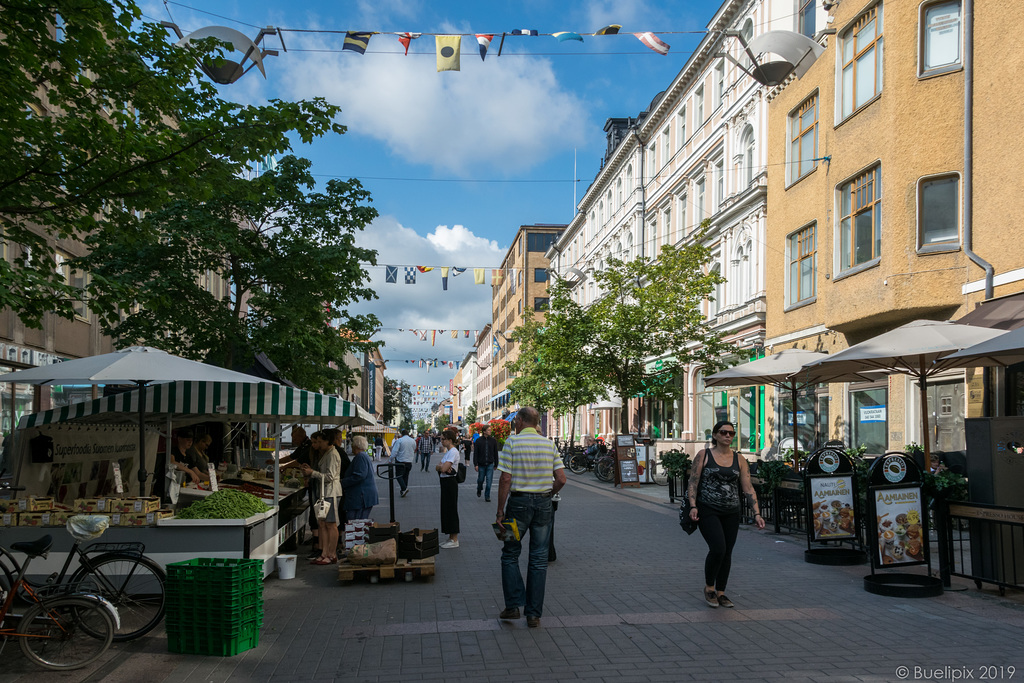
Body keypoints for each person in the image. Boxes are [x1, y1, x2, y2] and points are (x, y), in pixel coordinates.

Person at [495, 407, 566, 628]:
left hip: (518, 506)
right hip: (543, 506)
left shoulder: (512, 443)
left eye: (515, 419)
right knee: (538, 559)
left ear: (521, 420)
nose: (514, 423)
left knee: (510, 553)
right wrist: (547, 494)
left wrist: (500, 511)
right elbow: (562, 479)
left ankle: (514, 605)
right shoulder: (549, 444)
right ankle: (533, 614)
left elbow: (506, 479)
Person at [687, 420, 766, 609]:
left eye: (731, 433)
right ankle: (709, 588)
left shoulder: (739, 459)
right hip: (708, 509)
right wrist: (693, 506)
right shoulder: (703, 455)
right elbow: (693, 482)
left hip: (731, 511)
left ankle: (721, 592)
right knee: (718, 548)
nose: (728, 436)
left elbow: (748, 487)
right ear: (715, 435)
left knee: (727, 552)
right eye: (723, 432)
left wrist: (756, 513)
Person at [301, 431, 341, 565]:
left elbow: (329, 477)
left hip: (331, 492)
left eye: (319, 441)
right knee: (323, 523)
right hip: (324, 492)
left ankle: (331, 554)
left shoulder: (333, 455)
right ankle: (324, 553)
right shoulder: (327, 454)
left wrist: (312, 473)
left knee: (331, 523)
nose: (317, 444)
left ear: (327, 441)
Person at [341, 435, 379, 521]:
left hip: (361, 497)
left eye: (352, 445)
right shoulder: (363, 456)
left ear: (356, 446)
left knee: (356, 521)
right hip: (365, 495)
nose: (351, 446)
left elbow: (360, 475)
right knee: (360, 521)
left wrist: (343, 482)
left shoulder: (360, 457)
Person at [436, 428, 461, 549]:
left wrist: (441, 467)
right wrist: (440, 467)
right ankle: (450, 537)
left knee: (451, 509)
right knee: (446, 509)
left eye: (443, 439)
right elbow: (440, 466)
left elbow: (443, 468)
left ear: (450, 440)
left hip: (450, 483)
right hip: (445, 482)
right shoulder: (448, 451)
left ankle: (454, 538)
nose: (441, 441)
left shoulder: (453, 452)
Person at [473, 424, 499, 502]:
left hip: (490, 464)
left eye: (490, 430)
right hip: (481, 464)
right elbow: (476, 453)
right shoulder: (479, 441)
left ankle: (487, 496)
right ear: (484, 431)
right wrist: (476, 464)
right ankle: (479, 488)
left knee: (489, 481)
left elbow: (495, 453)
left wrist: (496, 464)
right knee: (480, 479)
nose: (490, 431)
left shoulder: (493, 441)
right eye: (488, 430)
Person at [390, 428, 416, 497]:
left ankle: (404, 488)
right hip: (409, 461)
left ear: (402, 434)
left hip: (400, 461)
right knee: (405, 476)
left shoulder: (399, 440)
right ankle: (403, 490)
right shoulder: (413, 441)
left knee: (398, 476)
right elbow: (414, 449)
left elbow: (394, 452)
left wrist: (390, 460)